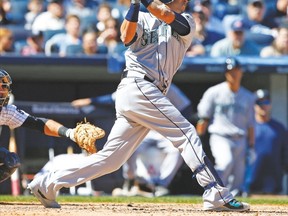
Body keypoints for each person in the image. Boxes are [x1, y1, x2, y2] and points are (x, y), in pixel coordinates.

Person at [28, 0, 250, 211]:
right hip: (137, 85)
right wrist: (134, 5)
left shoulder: (188, 21)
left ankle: (47, 183)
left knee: (111, 160)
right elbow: (125, 36)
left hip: (146, 91)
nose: (186, 2)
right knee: (186, 133)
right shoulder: (141, 17)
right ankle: (215, 192)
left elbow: (164, 14)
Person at [71, 83, 193, 197]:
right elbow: (112, 98)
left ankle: (161, 185)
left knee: (177, 150)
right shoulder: (133, 85)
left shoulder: (167, 87)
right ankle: (130, 179)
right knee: (130, 147)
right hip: (145, 130)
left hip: (165, 131)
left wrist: (175, 125)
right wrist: (90, 101)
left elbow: (186, 107)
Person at [0, 68, 91, 184]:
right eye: (0, 86)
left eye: (4, 86)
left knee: (11, 161)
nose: (3, 90)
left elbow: (39, 124)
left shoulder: (6, 111)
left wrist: (70, 133)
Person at [196, 57, 255, 196]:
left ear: (241, 72)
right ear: (225, 73)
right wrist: (197, 140)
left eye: (236, 70)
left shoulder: (248, 96)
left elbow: (251, 124)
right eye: (230, 71)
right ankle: (214, 193)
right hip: (220, 136)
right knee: (225, 163)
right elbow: (203, 118)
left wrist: (252, 146)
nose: (233, 74)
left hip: (240, 138)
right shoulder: (214, 92)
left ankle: (229, 201)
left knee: (238, 177)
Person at [244, 89, 288, 195]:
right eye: (259, 102)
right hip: (250, 182)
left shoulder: (279, 128)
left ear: (270, 104)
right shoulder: (247, 127)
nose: (263, 105)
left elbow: (285, 153)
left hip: (273, 183)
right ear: (253, 105)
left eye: (266, 102)